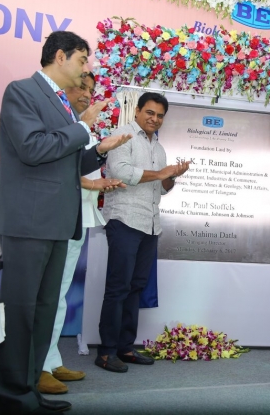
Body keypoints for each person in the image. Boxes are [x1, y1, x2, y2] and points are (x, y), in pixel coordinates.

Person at [0, 31, 131, 414]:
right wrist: (83, 127)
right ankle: (11, 397)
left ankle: (29, 391)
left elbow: (69, 162)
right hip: (29, 221)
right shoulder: (22, 91)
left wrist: (98, 149)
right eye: (82, 60)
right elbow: (33, 148)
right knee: (21, 312)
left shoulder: (62, 104)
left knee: (41, 313)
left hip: (57, 222)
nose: (86, 69)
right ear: (59, 57)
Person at [38, 72, 125, 394]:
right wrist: (92, 183)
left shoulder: (83, 128)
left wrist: (100, 152)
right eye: (81, 88)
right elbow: (53, 167)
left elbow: (80, 166)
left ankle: (50, 360)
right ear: (62, 89)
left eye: (91, 89)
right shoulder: (57, 124)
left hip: (78, 218)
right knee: (45, 296)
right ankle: (36, 366)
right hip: (54, 219)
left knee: (58, 295)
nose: (88, 95)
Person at [96, 92, 190, 373]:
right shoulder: (122, 136)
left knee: (136, 287)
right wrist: (160, 173)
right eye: (150, 112)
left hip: (150, 224)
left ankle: (125, 347)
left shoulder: (158, 149)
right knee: (118, 287)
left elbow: (162, 188)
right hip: (124, 220)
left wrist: (172, 176)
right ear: (137, 111)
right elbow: (119, 172)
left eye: (160, 115)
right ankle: (106, 352)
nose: (155, 119)